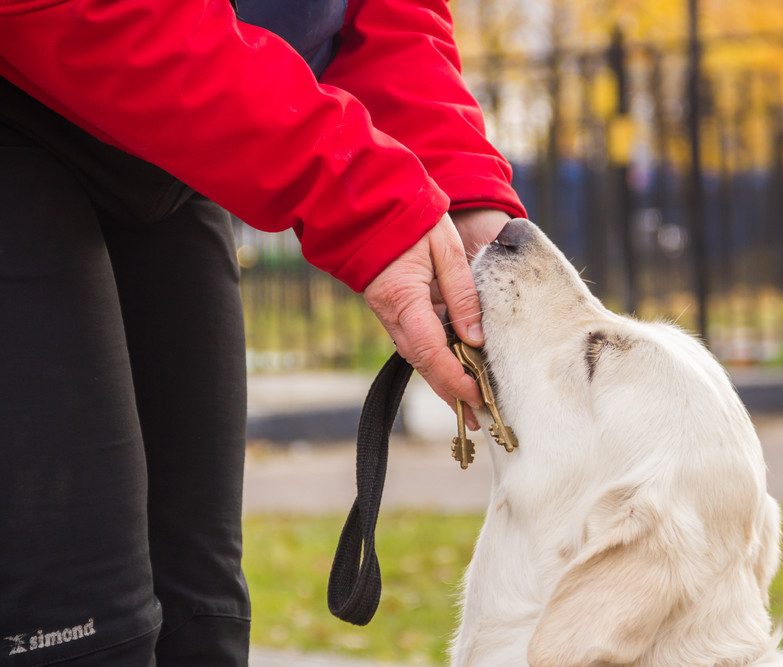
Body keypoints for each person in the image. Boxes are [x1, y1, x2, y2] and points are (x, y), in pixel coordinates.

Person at [0, 0, 525, 664]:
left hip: (169, 149)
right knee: (82, 627)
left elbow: (381, 16)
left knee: (201, 619)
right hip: (32, 80)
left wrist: (459, 189)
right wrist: (363, 196)